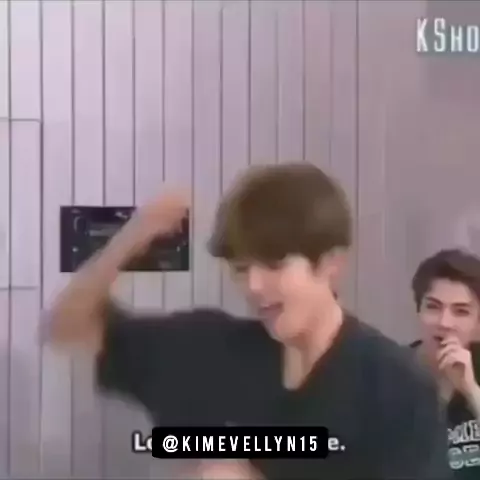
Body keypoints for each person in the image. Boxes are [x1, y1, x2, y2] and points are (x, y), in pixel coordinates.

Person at [44, 163, 450, 479]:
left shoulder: (396, 387)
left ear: (330, 264)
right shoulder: (206, 349)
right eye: (241, 268)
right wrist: (133, 237)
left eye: (274, 264)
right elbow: (69, 327)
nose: (253, 286)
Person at [410, 249, 480, 479]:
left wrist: (471, 391)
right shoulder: (391, 370)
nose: (445, 322)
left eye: (461, 311)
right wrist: (439, 398)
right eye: (433, 307)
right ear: (418, 311)